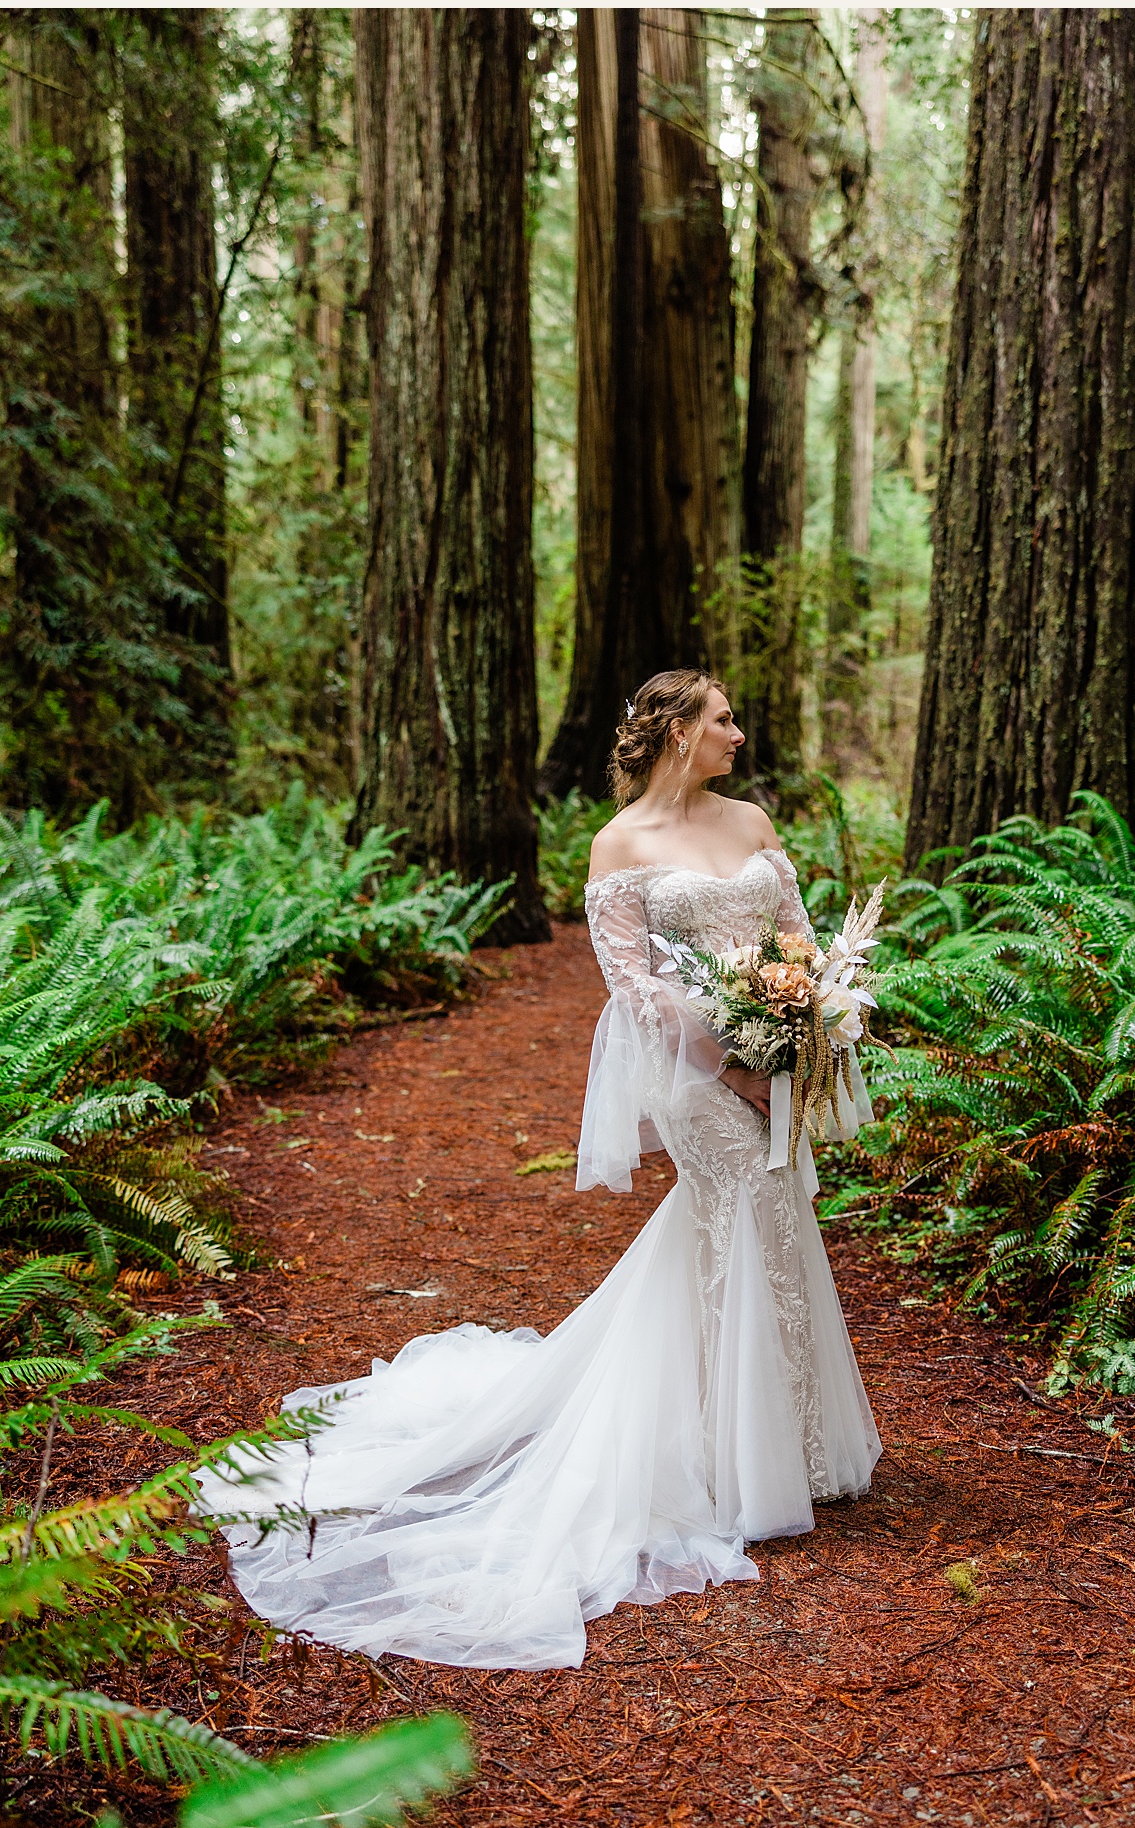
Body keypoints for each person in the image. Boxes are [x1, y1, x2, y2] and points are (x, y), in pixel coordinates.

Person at [200, 670, 881, 1671]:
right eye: (724, 718)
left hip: (771, 1059)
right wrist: (728, 1059)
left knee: (770, 1217)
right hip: (692, 1076)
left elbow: (800, 949)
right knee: (747, 1201)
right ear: (678, 733)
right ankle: (742, 1466)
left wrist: (796, 1033)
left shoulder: (751, 821)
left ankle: (780, 1441)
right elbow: (636, 989)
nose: (741, 731)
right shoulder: (620, 845)